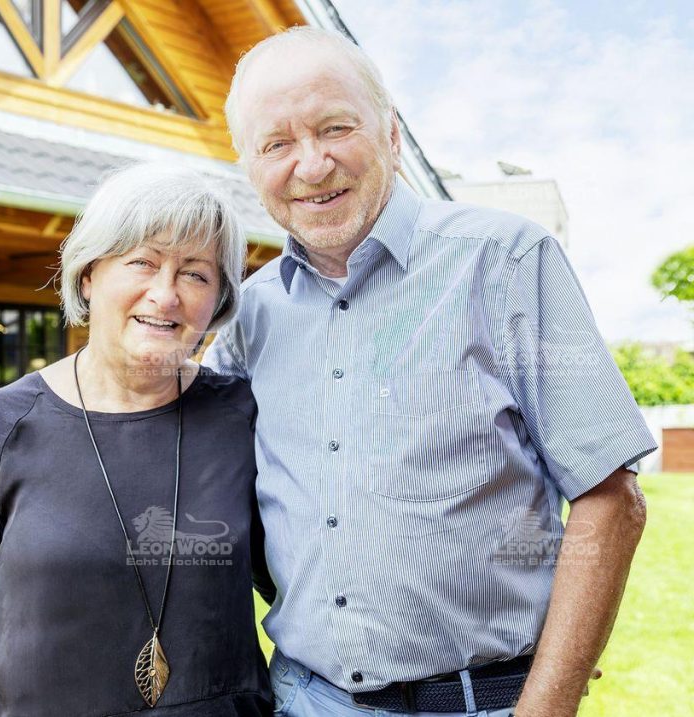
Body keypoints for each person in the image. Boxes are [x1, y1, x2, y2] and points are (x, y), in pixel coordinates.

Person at [203, 26, 657, 717]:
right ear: (249, 165)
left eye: (335, 127)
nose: (313, 164)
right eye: (277, 144)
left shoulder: (504, 262)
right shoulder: (249, 316)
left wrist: (547, 705)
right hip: (303, 699)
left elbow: (611, 501)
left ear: (390, 134)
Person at [0, 163, 273, 717]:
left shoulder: (242, 417)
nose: (165, 295)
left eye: (195, 274)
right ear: (88, 276)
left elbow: (306, 583)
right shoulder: (0, 426)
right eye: (142, 263)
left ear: (218, 300)